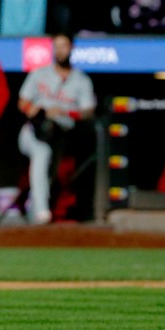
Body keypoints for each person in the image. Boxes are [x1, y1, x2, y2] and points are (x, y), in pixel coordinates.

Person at [18, 33, 96, 225]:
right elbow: (22, 103)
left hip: (61, 135)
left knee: (52, 174)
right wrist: (34, 110)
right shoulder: (40, 73)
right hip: (35, 132)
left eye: (65, 46)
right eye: (57, 46)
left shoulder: (81, 79)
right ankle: (41, 212)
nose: (61, 50)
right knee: (42, 154)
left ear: (72, 49)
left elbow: (88, 111)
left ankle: (35, 205)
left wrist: (63, 112)